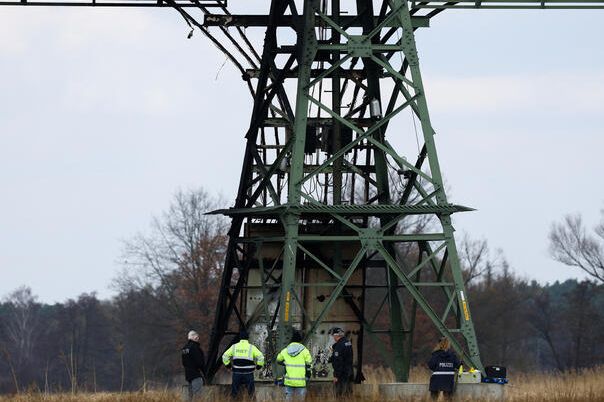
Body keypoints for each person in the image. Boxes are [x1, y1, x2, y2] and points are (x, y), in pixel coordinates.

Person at [222, 330, 265, 398]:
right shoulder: (251, 347)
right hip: (249, 373)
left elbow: (225, 356)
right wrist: (258, 366)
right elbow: (261, 357)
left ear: (240, 338)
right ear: (247, 338)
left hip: (237, 372)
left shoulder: (234, 347)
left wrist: (228, 366)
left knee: (235, 393)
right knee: (251, 393)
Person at [276, 330, 313, 400]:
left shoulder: (285, 350)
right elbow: (309, 365)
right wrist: (308, 376)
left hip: (289, 381)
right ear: (300, 341)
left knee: (288, 399)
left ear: (291, 340)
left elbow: (278, 359)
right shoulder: (305, 351)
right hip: (301, 381)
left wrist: (284, 363)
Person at [328, 327, 353, 396]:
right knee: (347, 393)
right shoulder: (347, 342)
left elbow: (338, 362)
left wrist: (336, 375)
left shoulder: (339, 346)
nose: (333, 337)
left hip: (341, 374)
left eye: (333, 335)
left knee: (339, 393)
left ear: (336, 335)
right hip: (348, 371)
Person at [181, 330, 205, 401]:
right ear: (195, 337)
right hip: (196, 375)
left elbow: (183, 363)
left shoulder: (184, 349)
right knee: (198, 396)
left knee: (190, 397)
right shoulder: (195, 347)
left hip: (188, 375)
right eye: (197, 337)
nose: (198, 338)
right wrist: (204, 373)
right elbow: (200, 363)